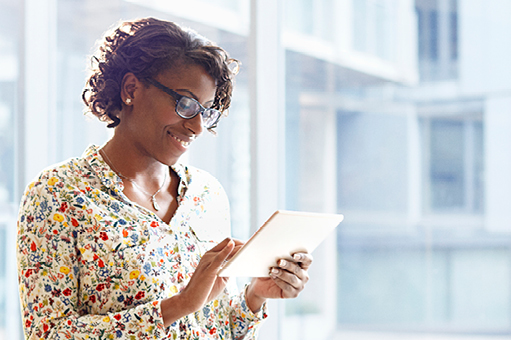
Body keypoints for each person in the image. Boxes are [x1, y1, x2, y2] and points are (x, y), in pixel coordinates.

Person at [16, 17, 312, 340]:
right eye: (185, 104)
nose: (198, 126)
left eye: (207, 111)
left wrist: (255, 296)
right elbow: (49, 334)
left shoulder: (208, 196)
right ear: (131, 89)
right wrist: (179, 305)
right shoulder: (58, 195)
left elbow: (215, 328)